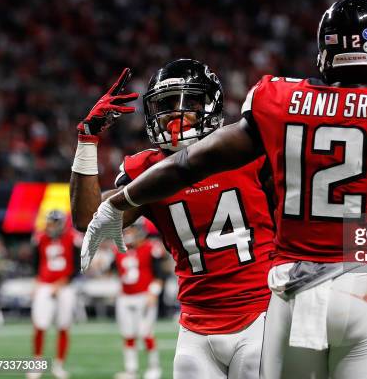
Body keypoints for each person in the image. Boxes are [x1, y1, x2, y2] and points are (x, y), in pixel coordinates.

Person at [82, 0, 367, 379]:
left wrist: (118, 202)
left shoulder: (278, 99)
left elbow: (187, 163)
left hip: (290, 291)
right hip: (363, 284)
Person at [70, 60, 276, 379]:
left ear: (212, 105)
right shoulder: (147, 170)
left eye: (189, 103)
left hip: (260, 315)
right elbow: (87, 217)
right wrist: (87, 139)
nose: (175, 114)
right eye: (165, 105)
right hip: (194, 325)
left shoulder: (244, 151)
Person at [28, 210, 80, 379]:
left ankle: (59, 365)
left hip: (65, 287)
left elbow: (78, 267)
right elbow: (36, 264)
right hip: (45, 285)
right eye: (49, 222)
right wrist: (37, 282)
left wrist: (62, 283)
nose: (51, 226)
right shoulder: (40, 238)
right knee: (40, 325)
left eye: (53, 223)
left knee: (63, 326)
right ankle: (37, 364)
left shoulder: (72, 238)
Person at [113, 220, 164, 379]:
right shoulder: (119, 250)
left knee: (146, 332)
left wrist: (153, 293)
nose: (128, 234)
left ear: (140, 231)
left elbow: (160, 275)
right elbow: (113, 271)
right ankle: (131, 370)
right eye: (127, 231)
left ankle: (154, 367)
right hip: (125, 297)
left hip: (144, 296)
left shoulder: (151, 248)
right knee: (128, 334)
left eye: (132, 230)